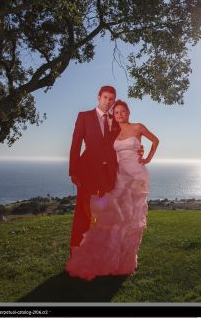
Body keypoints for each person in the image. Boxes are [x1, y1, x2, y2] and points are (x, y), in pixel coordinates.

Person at [66, 99, 159, 279]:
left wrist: (146, 158)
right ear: (113, 116)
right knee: (118, 217)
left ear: (128, 112)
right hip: (120, 176)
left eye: (122, 111)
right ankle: (114, 257)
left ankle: (127, 261)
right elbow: (105, 152)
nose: (120, 114)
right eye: (116, 112)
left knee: (132, 217)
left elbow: (155, 140)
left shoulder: (138, 127)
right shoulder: (113, 133)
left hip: (137, 175)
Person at [67, 85, 121, 258]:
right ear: (98, 97)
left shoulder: (116, 120)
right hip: (87, 170)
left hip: (108, 173)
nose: (108, 102)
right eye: (105, 97)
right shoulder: (84, 116)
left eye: (111, 99)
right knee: (83, 211)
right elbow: (75, 145)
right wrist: (73, 171)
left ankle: (102, 250)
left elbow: (122, 142)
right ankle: (76, 250)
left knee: (106, 212)